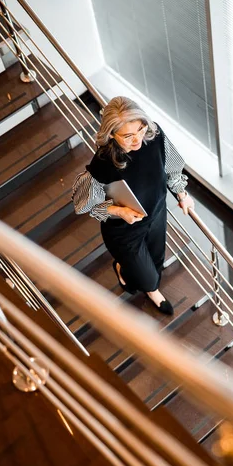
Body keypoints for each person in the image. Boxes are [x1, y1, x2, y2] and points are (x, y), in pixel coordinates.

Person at [72, 96, 194, 316]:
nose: (137, 139)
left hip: (156, 213)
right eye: (128, 136)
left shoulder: (153, 135)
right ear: (112, 134)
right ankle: (141, 281)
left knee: (157, 259)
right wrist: (119, 211)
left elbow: (172, 166)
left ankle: (142, 280)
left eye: (140, 128)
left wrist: (182, 194)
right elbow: (83, 204)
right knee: (147, 277)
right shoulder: (103, 160)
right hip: (124, 230)